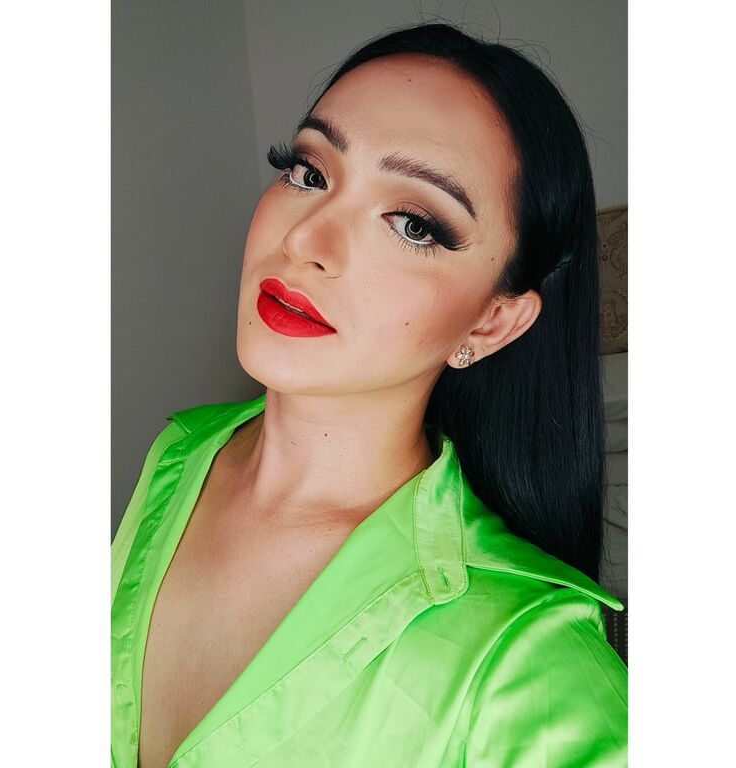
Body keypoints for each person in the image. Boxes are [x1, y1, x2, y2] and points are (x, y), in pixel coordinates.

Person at [112, 21, 627, 768]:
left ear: (491, 321)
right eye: (308, 172)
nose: (306, 242)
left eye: (413, 224)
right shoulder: (179, 454)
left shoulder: (532, 663)